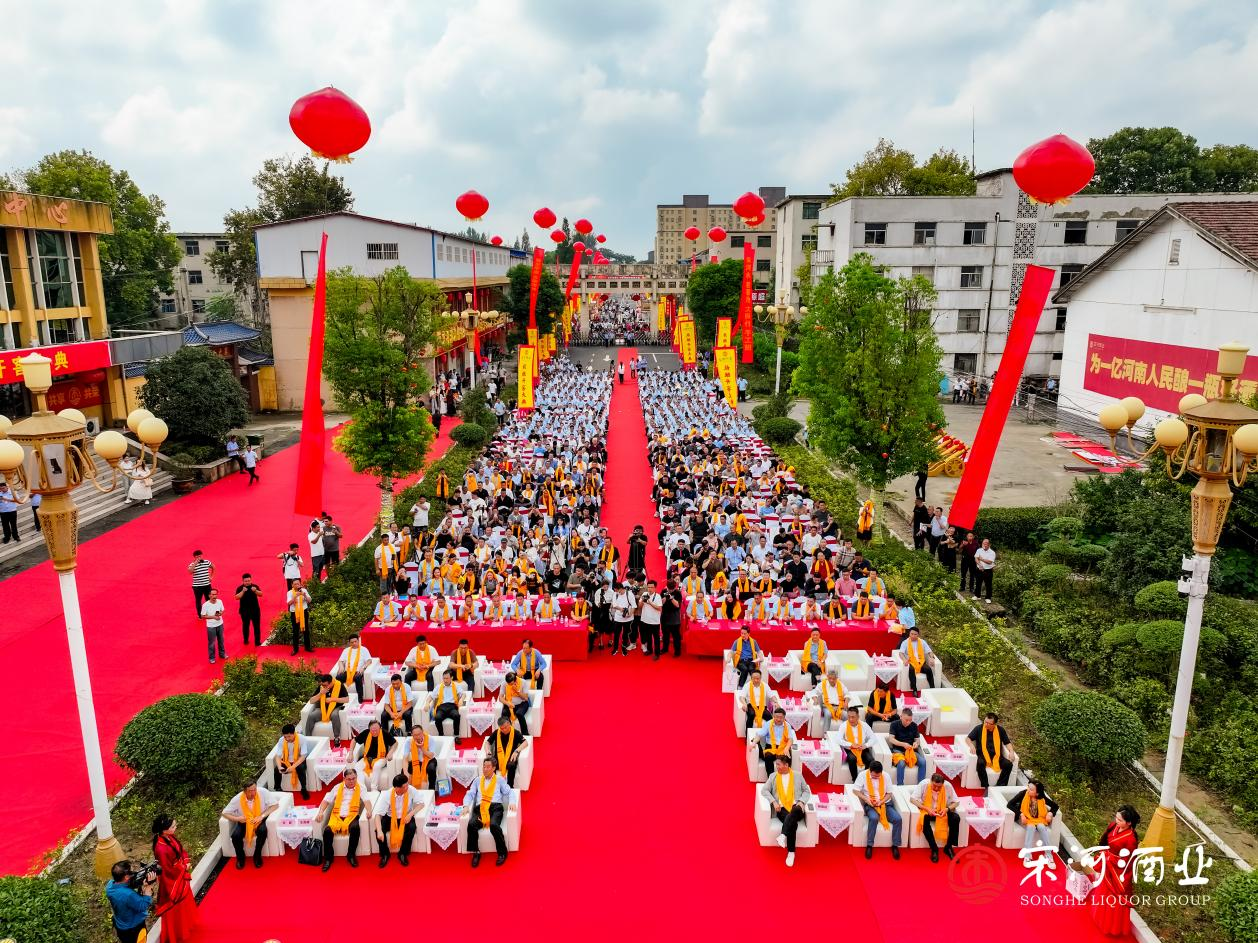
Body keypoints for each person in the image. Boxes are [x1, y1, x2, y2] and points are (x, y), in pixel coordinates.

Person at [1088, 806, 1141, 936]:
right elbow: (1104, 841)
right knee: (1102, 893)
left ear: (1129, 823)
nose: (1116, 821)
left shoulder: (1131, 840)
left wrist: (1109, 858)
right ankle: (1100, 920)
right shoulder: (1113, 826)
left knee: (1113, 900)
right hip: (1108, 865)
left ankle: (1112, 927)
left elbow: (1127, 861)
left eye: (1120, 820)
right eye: (1116, 818)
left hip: (1116, 871)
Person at [151, 814, 199, 940]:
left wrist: (185, 861)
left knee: (184, 903)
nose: (175, 827)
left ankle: (186, 926)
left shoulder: (169, 837)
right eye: (173, 826)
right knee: (177, 907)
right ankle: (178, 933)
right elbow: (167, 870)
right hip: (171, 882)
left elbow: (180, 850)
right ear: (164, 830)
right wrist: (183, 867)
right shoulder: (161, 849)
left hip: (178, 874)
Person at [762, 754, 811, 867]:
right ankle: (791, 852)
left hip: (796, 807)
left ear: (786, 765)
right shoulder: (773, 776)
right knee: (793, 824)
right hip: (781, 808)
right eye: (776, 764)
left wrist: (802, 801)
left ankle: (783, 835)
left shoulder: (798, 775)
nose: (776, 766)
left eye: (778, 764)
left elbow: (806, 791)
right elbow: (764, 790)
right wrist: (774, 802)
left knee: (795, 811)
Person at [316, 768, 369, 871]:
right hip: (337, 816)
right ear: (344, 779)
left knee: (355, 828)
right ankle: (328, 859)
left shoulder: (361, 788)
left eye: (354, 778)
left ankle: (351, 855)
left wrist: (369, 811)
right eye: (349, 779)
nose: (352, 781)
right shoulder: (337, 787)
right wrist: (321, 812)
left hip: (352, 816)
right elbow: (326, 801)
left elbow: (367, 801)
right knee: (327, 832)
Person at [464, 757, 512, 867]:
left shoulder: (499, 780)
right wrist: (466, 805)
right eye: (484, 766)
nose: (485, 769)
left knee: (494, 825)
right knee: (471, 824)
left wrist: (513, 802)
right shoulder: (477, 780)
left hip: (495, 808)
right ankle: (476, 852)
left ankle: (502, 853)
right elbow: (470, 794)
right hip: (481, 808)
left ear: (494, 768)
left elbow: (509, 792)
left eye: (488, 767)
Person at [221, 782, 278, 870]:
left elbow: (275, 805)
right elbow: (224, 813)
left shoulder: (263, 792)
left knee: (263, 831)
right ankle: (240, 857)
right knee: (235, 836)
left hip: (259, 819)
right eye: (250, 791)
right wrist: (237, 819)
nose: (253, 793)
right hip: (245, 821)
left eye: (255, 789)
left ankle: (257, 855)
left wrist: (262, 816)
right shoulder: (237, 798)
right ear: (244, 791)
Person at [374, 772, 425, 868]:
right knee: (378, 830)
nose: (407, 787)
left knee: (412, 827)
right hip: (390, 817)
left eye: (407, 785)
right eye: (404, 786)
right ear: (397, 788)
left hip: (406, 816)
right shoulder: (387, 795)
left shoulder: (410, 789)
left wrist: (411, 814)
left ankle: (403, 853)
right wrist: (380, 831)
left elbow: (421, 804)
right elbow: (378, 814)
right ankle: (385, 854)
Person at [855, 760, 901, 859]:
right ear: (870, 771)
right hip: (870, 804)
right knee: (874, 818)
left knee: (898, 819)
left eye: (878, 776)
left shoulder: (886, 776)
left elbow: (889, 793)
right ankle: (869, 845)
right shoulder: (863, 775)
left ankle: (895, 845)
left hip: (885, 803)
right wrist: (866, 800)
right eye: (874, 776)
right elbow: (855, 790)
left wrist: (881, 801)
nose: (876, 778)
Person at [912, 771, 960, 862]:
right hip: (928, 811)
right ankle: (934, 849)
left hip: (942, 811)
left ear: (943, 784)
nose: (937, 788)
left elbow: (957, 802)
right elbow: (912, 799)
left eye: (939, 787)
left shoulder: (948, 786)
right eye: (934, 786)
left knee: (956, 818)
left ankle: (948, 847)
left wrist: (947, 809)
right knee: (924, 819)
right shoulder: (924, 784)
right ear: (931, 781)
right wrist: (926, 808)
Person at [106, 860, 156, 943]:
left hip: (121, 927)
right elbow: (143, 906)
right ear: (126, 877)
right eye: (131, 872)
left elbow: (125, 887)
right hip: (134, 929)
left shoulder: (109, 886)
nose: (133, 873)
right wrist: (148, 888)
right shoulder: (128, 895)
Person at [968, 712, 1016, 787]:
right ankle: (986, 786)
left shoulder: (1000, 730)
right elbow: (968, 738)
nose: (986, 724)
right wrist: (971, 745)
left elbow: (1007, 743)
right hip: (982, 755)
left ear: (994, 724)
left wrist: (1011, 752)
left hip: (997, 756)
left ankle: (1000, 786)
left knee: (1008, 765)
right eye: (985, 721)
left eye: (989, 723)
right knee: (980, 763)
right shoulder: (978, 728)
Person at [1007, 779, 1058, 849]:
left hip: (1039, 819)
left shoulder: (1042, 797)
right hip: (1025, 818)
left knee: (1041, 827)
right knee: (1031, 827)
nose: (1028, 790)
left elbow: (1055, 806)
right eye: (1028, 787)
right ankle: (1027, 853)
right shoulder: (1023, 793)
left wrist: (1050, 813)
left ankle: (1048, 852)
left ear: (1037, 793)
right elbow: (1009, 804)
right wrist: (1021, 814)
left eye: (1031, 790)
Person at [304, 674, 348, 745]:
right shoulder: (321, 687)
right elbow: (311, 701)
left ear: (330, 683)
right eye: (322, 685)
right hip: (322, 709)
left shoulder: (339, 685)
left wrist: (332, 699)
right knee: (311, 716)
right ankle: (307, 738)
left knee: (334, 715)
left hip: (335, 707)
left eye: (325, 685)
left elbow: (346, 699)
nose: (324, 687)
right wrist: (320, 693)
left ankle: (337, 737)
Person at [355, 719, 397, 790]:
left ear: (380, 728)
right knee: (357, 767)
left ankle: (374, 788)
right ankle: (362, 789)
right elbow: (354, 740)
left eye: (376, 730)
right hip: (366, 758)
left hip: (381, 758)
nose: (374, 732)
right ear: (369, 729)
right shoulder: (366, 733)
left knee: (376, 766)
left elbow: (395, 743)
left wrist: (390, 752)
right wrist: (350, 752)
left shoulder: (384, 733)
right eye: (372, 730)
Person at [888, 707, 924, 786]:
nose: (908, 722)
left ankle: (920, 785)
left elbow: (917, 740)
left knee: (923, 762)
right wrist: (903, 744)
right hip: (898, 750)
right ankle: (900, 786)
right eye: (906, 720)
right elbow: (891, 739)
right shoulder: (894, 724)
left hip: (910, 750)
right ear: (901, 717)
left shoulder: (914, 725)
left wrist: (916, 743)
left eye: (910, 720)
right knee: (901, 763)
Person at [273, 723, 310, 799]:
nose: (287, 739)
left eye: (289, 736)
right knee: (276, 769)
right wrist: (279, 767)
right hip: (286, 760)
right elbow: (278, 756)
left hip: (299, 760)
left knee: (300, 768)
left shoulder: (302, 739)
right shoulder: (281, 740)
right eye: (285, 736)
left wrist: (293, 766)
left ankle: (303, 788)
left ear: (294, 733)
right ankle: (278, 788)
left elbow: (303, 756)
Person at [426, 669, 466, 740]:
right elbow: (431, 696)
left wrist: (461, 700)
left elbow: (463, 694)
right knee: (437, 718)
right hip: (441, 707)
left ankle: (456, 735)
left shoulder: (456, 685)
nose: (445, 680)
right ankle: (441, 735)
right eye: (444, 678)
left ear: (451, 678)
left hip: (452, 706)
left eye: (447, 678)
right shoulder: (439, 686)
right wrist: (427, 703)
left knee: (456, 715)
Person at [756, 707, 795, 780]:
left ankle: (784, 779)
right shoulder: (768, 724)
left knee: (787, 759)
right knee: (768, 757)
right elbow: (759, 735)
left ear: (784, 718)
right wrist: (753, 743)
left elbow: (790, 739)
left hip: (783, 747)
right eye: (777, 717)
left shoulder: (787, 725)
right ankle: (771, 779)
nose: (778, 719)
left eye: (781, 717)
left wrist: (787, 748)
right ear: (773, 716)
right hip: (771, 747)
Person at [490, 714, 527, 787]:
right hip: (498, 758)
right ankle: (493, 786)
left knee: (511, 765)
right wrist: (488, 750)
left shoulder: (515, 732)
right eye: (502, 728)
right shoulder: (497, 732)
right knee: (490, 764)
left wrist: (516, 751)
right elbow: (487, 743)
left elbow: (525, 742)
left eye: (505, 727)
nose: (504, 730)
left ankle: (510, 786)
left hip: (511, 757)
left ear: (509, 724)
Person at [334, 634, 373, 703]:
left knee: (357, 678)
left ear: (358, 641)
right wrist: (341, 667)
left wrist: (363, 668)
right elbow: (340, 661)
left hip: (358, 671)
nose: (354, 643)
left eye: (355, 641)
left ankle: (360, 699)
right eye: (352, 642)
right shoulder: (346, 650)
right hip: (347, 672)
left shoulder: (364, 649)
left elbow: (369, 660)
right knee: (338, 678)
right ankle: (342, 697)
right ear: (349, 643)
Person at [898, 627, 937, 695]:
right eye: (912, 634)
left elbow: (930, 652)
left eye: (915, 634)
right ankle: (914, 690)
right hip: (911, 662)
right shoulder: (905, 642)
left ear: (918, 634)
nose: (913, 636)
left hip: (921, 662)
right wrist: (904, 659)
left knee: (928, 669)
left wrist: (931, 658)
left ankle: (932, 688)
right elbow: (901, 653)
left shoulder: (922, 642)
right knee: (911, 670)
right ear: (909, 634)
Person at [808, 667, 848, 733]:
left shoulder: (840, 684)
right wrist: (815, 699)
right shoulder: (823, 684)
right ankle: (825, 735)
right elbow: (813, 692)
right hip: (827, 707)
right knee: (828, 714)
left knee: (847, 715)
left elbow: (847, 694)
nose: (831, 680)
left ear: (837, 678)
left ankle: (845, 734)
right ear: (827, 677)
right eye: (830, 678)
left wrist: (846, 702)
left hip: (839, 707)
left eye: (833, 679)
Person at [739, 668, 776, 733]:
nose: (756, 680)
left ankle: (769, 734)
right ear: (751, 678)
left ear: (760, 678)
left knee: (769, 717)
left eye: (758, 678)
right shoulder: (747, 685)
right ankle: (748, 735)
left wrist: (776, 702)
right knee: (751, 715)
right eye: (754, 678)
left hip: (762, 706)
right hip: (751, 706)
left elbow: (772, 695)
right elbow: (742, 697)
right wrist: (744, 703)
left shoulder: (765, 685)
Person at [234, 573, 263, 646]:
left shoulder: (255, 586)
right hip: (244, 611)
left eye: (249, 581)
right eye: (246, 581)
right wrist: (243, 591)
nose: (247, 582)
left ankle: (257, 641)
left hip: (255, 610)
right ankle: (246, 640)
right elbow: (236, 597)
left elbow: (261, 594)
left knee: (257, 626)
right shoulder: (240, 588)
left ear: (251, 580)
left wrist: (255, 591)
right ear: (243, 581)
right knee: (245, 626)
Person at [499, 670, 531, 736]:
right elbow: (500, 698)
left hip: (522, 703)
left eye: (511, 684)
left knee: (519, 713)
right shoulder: (504, 683)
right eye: (509, 684)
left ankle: (525, 734)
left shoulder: (523, 682)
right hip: (509, 703)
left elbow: (525, 698)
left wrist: (517, 691)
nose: (510, 685)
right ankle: (509, 734)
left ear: (515, 680)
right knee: (504, 714)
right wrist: (507, 703)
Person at [200, 587, 227, 664]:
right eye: (213, 594)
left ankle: (222, 654)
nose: (215, 596)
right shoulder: (205, 605)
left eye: (216, 594)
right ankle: (212, 658)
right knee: (212, 643)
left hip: (220, 624)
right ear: (209, 595)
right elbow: (202, 616)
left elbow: (222, 610)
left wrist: (220, 613)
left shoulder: (220, 601)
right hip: (211, 626)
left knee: (221, 641)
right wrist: (213, 617)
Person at [287, 578, 313, 654]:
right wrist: (295, 596)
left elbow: (309, 600)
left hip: (304, 612)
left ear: (300, 584)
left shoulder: (304, 590)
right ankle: (295, 649)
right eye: (295, 584)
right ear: (292, 585)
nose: (297, 585)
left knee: (306, 630)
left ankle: (307, 647)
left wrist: (304, 595)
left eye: (298, 584)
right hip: (294, 613)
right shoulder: (289, 593)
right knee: (295, 631)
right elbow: (289, 603)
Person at [639, 580, 663, 659]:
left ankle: (657, 653)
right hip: (645, 620)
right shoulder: (644, 594)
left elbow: (659, 608)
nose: (650, 589)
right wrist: (642, 601)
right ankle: (649, 650)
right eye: (648, 587)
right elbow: (640, 606)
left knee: (656, 638)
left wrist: (649, 603)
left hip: (654, 621)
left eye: (652, 587)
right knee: (648, 637)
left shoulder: (658, 596)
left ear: (655, 588)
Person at [659, 579, 683, 657]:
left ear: (675, 587)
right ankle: (665, 648)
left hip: (674, 617)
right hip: (665, 616)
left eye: (672, 589)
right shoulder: (663, 591)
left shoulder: (678, 593)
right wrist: (665, 598)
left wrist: (671, 598)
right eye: (669, 589)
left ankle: (677, 651)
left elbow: (678, 605)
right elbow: (660, 603)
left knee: (676, 635)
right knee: (665, 634)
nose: (670, 590)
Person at [187, 549, 214, 617]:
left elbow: (213, 567)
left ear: (202, 555)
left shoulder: (206, 562)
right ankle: (200, 615)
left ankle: (209, 613)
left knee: (209, 599)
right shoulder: (192, 564)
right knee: (198, 601)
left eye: (200, 556)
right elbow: (190, 572)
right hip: (197, 586)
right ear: (194, 557)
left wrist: (211, 576)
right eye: (197, 557)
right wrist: (195, 563)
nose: (199, 558)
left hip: (207, 585)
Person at [973, 537, 996, 603]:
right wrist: (979, 565)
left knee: (988, 584)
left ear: (989, 544)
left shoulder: (992, 552)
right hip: (979, 569)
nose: (984, 545)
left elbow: (990, 562)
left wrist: (981, 559)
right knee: (978, 583)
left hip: (988, 570)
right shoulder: (979, 550)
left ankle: (988, 597)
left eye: (986, 543)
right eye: (983, 543)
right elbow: (976, 558)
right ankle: (977, 596)